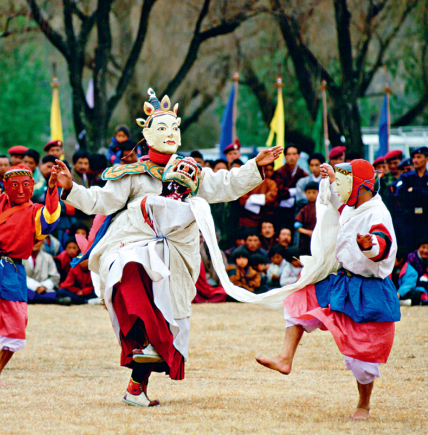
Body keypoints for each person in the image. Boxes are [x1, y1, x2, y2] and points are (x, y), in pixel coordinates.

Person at [51, 88, 283, 407]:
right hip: (137, 245)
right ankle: (142, 346)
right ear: (147, 134)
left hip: (177, 256)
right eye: (162, 128)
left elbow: (227, 185)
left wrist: (254, 166)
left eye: (174, 128)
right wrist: (71, 188)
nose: (170, 133)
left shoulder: (193, 173)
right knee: (128, 267)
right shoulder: (131, 173)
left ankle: (136, 388)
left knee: (170, 320)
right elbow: (100, 201)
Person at [256, 159, 400, 421]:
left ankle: (364, 404)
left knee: (362, 357)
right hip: (342, 281)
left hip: (369, 289)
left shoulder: (377, 214)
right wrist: (334, 176)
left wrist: (370, 245)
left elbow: (384, 244)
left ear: (361, 186)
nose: (340, 188)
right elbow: (340, 203)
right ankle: (285, 358)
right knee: (300, 299)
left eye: (345, 183)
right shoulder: (354, 203)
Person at [0, 144, 61, 387]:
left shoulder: (35, 211)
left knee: (16, 330)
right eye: (14, 185)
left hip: (13, 270)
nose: (21, 190)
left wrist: (52, 187)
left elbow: (50, 219)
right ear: (5, 186)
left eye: (26, 185)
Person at [395, 146, 428, 252]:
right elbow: (403, 196)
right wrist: (423, 190)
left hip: (425, 218)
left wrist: (414, 190)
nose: (415, 160)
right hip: (409, 217)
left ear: (427, 158)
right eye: (414, 158)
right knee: (409, 248)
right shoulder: (406, 176)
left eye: (419, 157)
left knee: (425, 247)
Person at [271, 144, 307, 231]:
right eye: (289, 154)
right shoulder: (279, 172)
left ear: (298, 156)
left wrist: (289, 191)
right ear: (285, 156)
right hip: (280, 211)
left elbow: (306, 193)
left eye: (294, 154)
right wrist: (297, 191)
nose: (292, 157)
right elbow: (280, 193)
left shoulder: (303, 174)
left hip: (297, 210)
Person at [24, 239, 62, 305]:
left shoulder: (48, 257)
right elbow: (18, 276)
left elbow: (55, 277)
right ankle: (42, 298)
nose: (35, 244)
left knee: (58, 292)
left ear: (42, 242)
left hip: (44, 289)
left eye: (37, 241)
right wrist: (36, 287)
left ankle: (36, 298)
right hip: (27, 288)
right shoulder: (21, 257)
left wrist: (43, 286)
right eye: (32, 240)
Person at [294, 181, 318, 255]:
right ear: (304, 193)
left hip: (321, 238)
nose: (311, 195)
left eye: (314, 192)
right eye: (308, 193)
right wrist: (308, 232)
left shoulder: (324, 207)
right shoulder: (304, 209)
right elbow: (297, 225)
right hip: (307, 240)